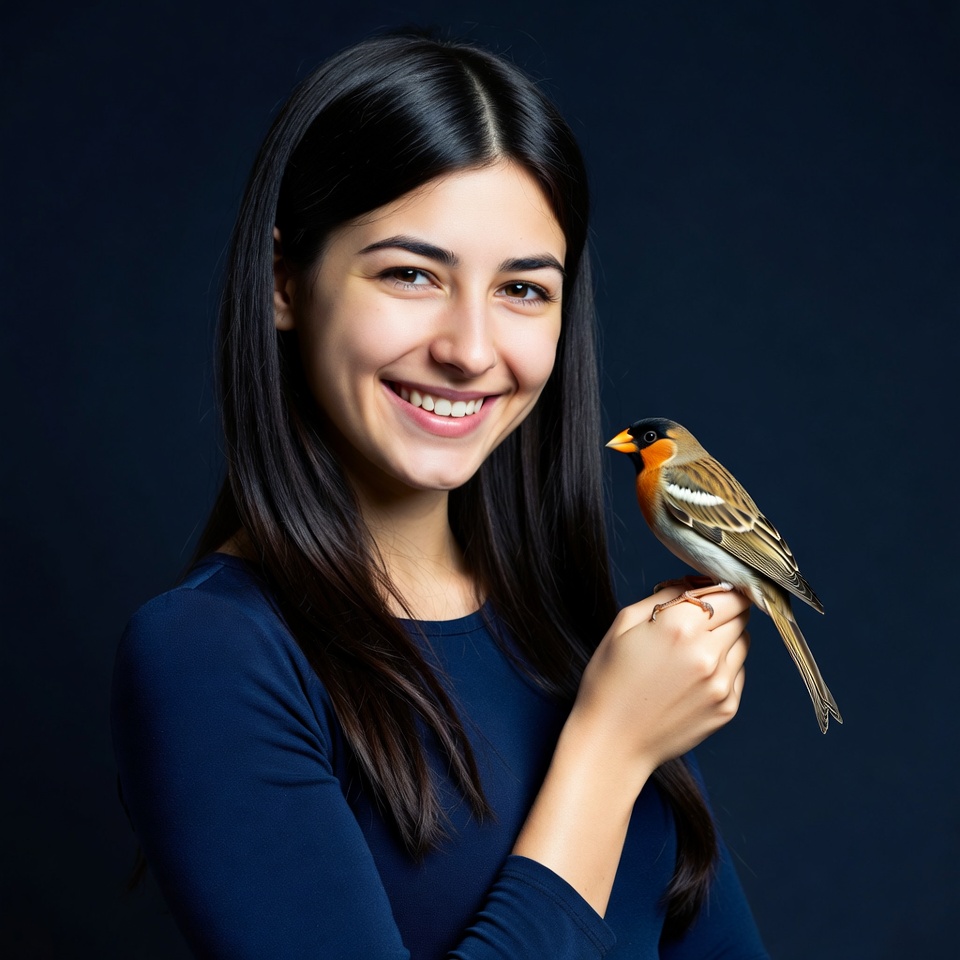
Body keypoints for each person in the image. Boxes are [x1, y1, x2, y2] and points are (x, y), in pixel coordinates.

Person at [111, 32, 769, 959]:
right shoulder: (208, 655)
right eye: (411, 274)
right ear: (283, 282)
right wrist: (608, 754)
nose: (468, 347)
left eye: (523, 290)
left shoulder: (576, 637)